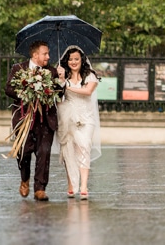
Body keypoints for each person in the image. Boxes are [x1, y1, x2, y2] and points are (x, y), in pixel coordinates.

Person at [5, 39, 66, 201]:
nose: (48, 56)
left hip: (45, 119)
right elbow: (8, 89)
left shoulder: (52, 71)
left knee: (44, 153)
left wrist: (60, 80)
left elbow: (59, 95)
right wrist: (27, 90)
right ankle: (24, 179)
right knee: (24, 152)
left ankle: (40, 188)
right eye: (45, 53)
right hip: (24, 118)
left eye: (48, 54)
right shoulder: (18, 68)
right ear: (35, 55)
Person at [56, 45, 101, 200]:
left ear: (82, 60)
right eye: (70, 59)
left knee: (84, 148)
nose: (73, 62)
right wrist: (60, 80)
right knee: (70, 152)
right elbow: (58, 97)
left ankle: (83, 186)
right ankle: (71, 184)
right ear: (66, 61)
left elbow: (87, 91)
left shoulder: (90, 76)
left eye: (76, 59)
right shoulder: (64, 77)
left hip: (86, 119)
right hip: (68, 117)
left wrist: (66, 86)